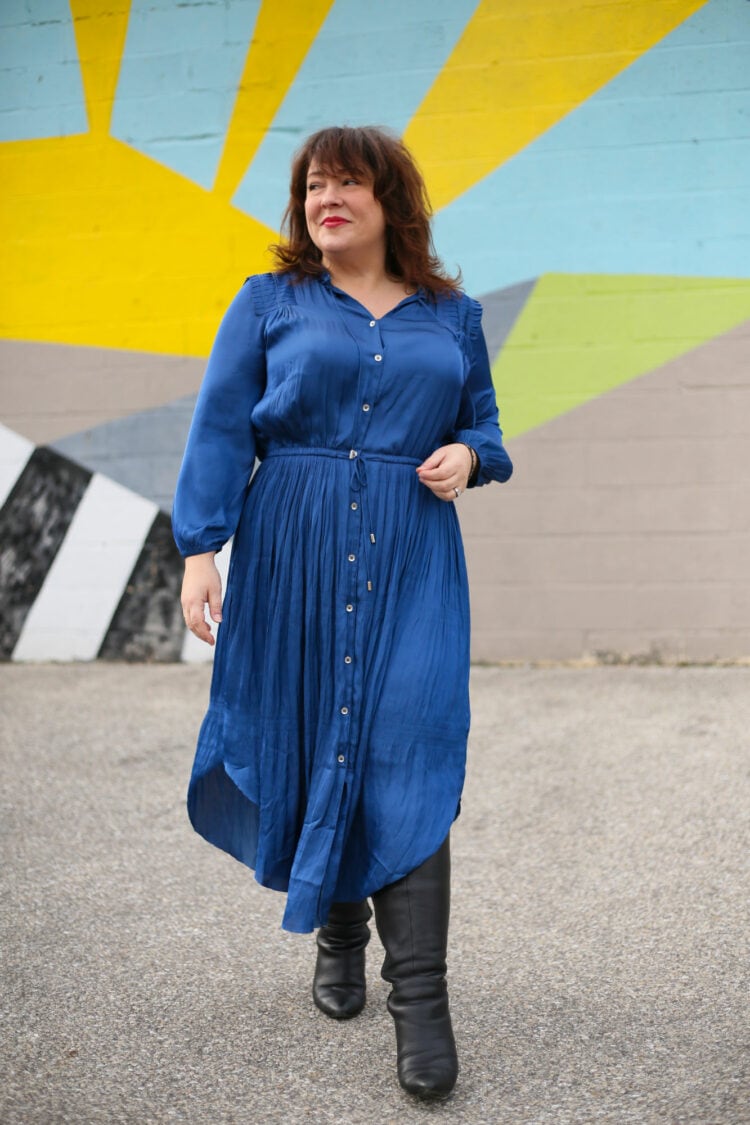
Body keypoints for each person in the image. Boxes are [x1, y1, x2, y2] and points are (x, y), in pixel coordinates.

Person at [172, 125, 513, 1101]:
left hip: (412, 558)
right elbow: (222, 424)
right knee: (321, 731)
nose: (327, 197)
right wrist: (201, 548)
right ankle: (337, 929)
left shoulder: (453, 317)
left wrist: (470, 457)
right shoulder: (268, 302)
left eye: (348, 183)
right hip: (291, 552)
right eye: (315, 183)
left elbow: (483, 426)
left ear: (390, 201)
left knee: (406, 742)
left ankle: (423, 1006)